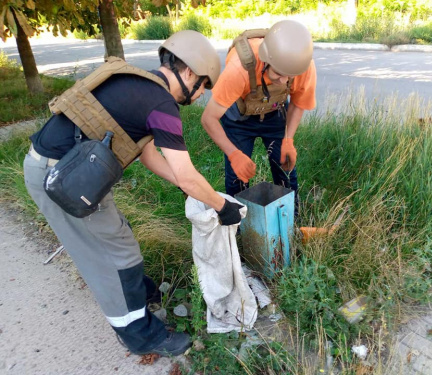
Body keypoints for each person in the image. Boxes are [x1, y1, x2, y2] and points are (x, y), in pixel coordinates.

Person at [23, 30, 242, 357]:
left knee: (118, 237)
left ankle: (138, 293)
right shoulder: (161, 105)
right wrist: (221, 204)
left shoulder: (139, 83)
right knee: (113, 256)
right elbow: (185, 172)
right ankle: (141, 335)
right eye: (202, 88)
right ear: (190, 74)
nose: (199, 97)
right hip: (62, 179)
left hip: (72, 170)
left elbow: (150, 156)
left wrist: (193, 191)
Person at [201, 20, 317, 214]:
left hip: (275, 113)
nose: (284, 81)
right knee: (237, 177)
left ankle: (291, 220)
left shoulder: (302, 66)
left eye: (290, 77)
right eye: (279, 74)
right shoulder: (239, 69)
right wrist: (234, 154)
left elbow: (297, 103)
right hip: (239, 118)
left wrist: (288, 139)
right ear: (265, 62)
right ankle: (239, 226)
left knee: (285, 168)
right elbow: (208, 118)